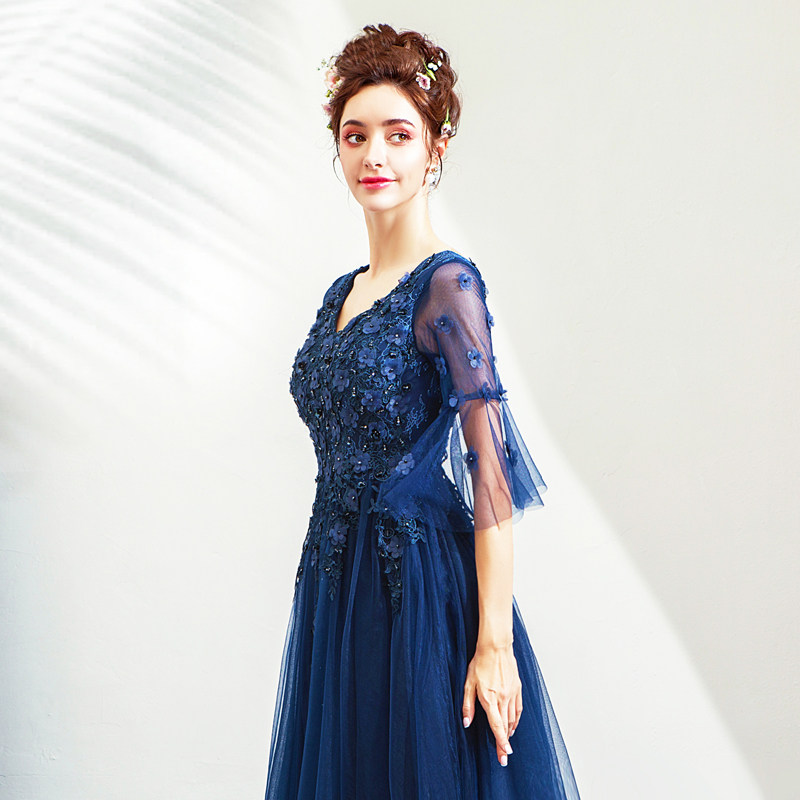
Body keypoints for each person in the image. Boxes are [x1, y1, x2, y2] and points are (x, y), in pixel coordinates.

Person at [264, 23, 581, 800]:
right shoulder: (340, 295)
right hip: (335, 587)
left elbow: (489, 472)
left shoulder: (448, 286)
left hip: (416, 591)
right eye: (356, 136)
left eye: (398, 135)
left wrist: (494, 644)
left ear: (435, 149)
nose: (374, 154)